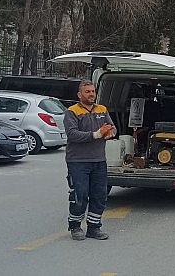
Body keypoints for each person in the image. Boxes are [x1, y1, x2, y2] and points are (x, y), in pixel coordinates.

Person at [64, 80, 116, 240]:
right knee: (80, 194)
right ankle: (75, 226)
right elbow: (72, 134)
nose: (91, 94)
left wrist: (110, 133)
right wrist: (95, 135)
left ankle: (94, 227)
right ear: (79, 95)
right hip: (78, 161)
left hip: (99, 160)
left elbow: (112, 126)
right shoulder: (71, 112)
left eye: (93, 91)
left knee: (99, 195)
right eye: (87, 92)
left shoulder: (102, 109)